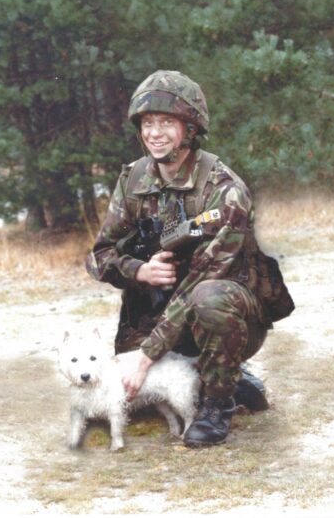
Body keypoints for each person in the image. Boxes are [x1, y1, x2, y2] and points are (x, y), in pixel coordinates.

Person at [86, 70, 274, 448]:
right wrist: (141, 271)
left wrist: (147, 356)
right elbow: (99, 256)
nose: (154, 133)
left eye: (166, 122)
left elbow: (199, 283)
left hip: (222, 309)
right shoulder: (134, 179)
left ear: (190, 128)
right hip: (160, 309)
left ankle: (219, 400)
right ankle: (217, 374)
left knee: (209, 297)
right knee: (135, 399)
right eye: (147, 123)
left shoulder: (225, 190)